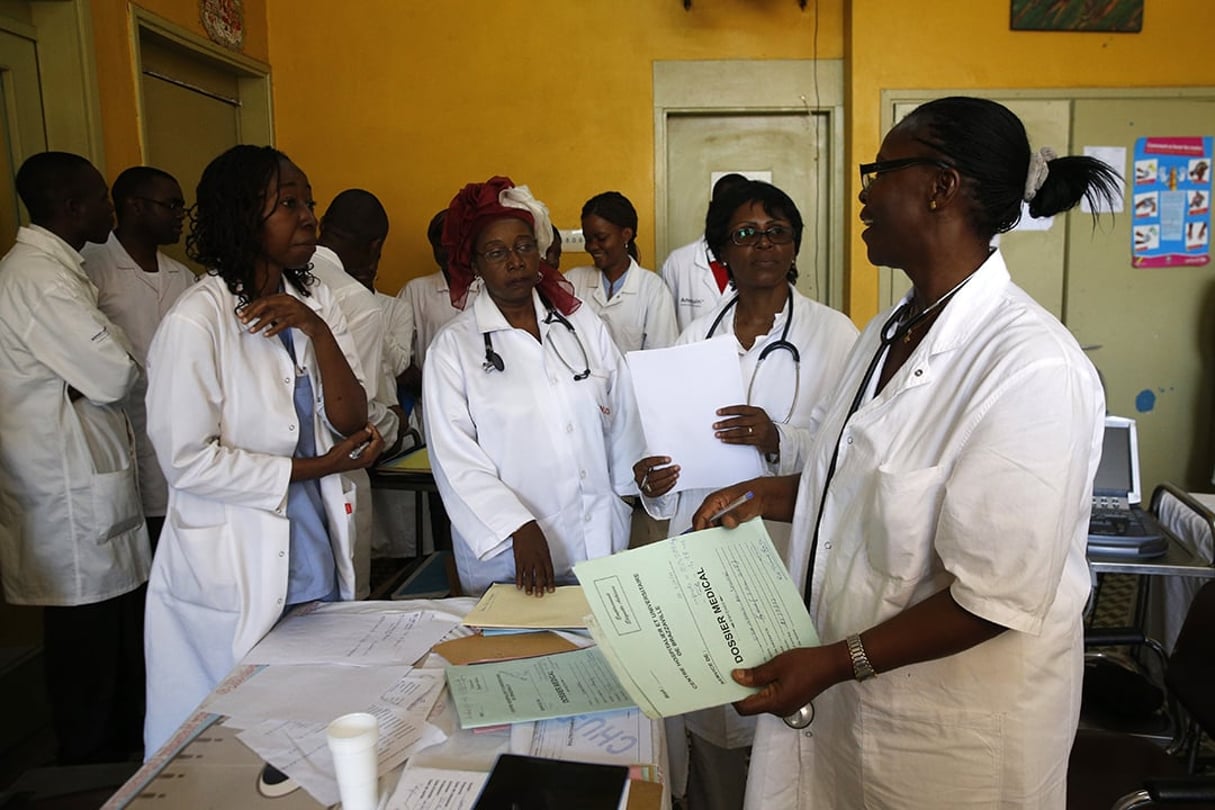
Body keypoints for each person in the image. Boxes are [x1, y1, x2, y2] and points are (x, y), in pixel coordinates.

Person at [691, 97, 1120, 809]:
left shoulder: (1030, 367)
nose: (863, 191)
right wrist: (766, 495)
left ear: (939, 186)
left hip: (949, 743)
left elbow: (996, 596)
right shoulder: (892, 329)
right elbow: (863, 484)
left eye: (879, 171)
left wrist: (834, 662)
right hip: (848, 714)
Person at [143, 145, 383, 754]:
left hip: (318, 548)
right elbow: (187, 460)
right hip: (238, 560)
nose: (307, 218)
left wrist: (317, 331)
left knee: (314, 720)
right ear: (243, 217)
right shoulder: (197, 321)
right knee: (236, 740)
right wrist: (319, 466)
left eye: (309, 202)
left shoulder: (316, 301)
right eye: (287, 204)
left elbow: (352, 415)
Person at [634, 180, 857, 810]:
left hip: (788, 552)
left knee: (789, 713)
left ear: (794, 246)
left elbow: (852, 455)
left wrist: (778, 438)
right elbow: (664, 454)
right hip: (703, 547)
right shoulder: (690, 338)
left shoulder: (836, 336)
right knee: (711, 711)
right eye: (745, 233)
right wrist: (652, 485)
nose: (763, 244)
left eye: (777, 231)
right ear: (720, 251)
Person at [423, 176, 643, 596]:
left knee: (602, 653)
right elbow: (456, 460)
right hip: (511, 555)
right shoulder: (454, 348)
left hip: (598, 541)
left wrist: (628, 493)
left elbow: (623, 414)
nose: (515, 261)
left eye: (524, 247)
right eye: (497, 252)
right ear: (474, 264)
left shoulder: (581, 325)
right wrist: (517, 527)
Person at [0, 151, 149, 763]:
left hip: (88, 485)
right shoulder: (39, 278)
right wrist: (110, 364)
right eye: (100, 199)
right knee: (86, 662)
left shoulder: (58, 271)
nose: (109, 209)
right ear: (70, 207)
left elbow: (106, 372)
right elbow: (117, 375)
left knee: (108, 650)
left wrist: (101, 368)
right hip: (68, 496)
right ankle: (87, 774)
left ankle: (112, 759)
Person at [82, 165, 195, 550]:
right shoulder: (92, 268)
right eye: (172, 205)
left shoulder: (182, 277)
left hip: (179, 436)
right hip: (120, 429)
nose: (181, 215)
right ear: (135, 206)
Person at [310, 188, 403, 584]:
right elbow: (352, 413)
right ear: (375, 246)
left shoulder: (273, 275)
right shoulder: (357, 300)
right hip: (335, 469)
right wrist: (396, 423)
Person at [564, 191, 677, 353]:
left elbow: (661, 355)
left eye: (601, 238)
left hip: (634, 379)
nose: (592, 246)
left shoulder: (653, 289)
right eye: (588, 240)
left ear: (626, 235)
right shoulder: (572, 281)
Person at [661, 173, 750, 331]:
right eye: (724, 207)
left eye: (738, 208)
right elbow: (665, 330)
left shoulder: (761, 260)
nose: (730, 216)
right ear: (712, 208)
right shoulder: (679, 263)